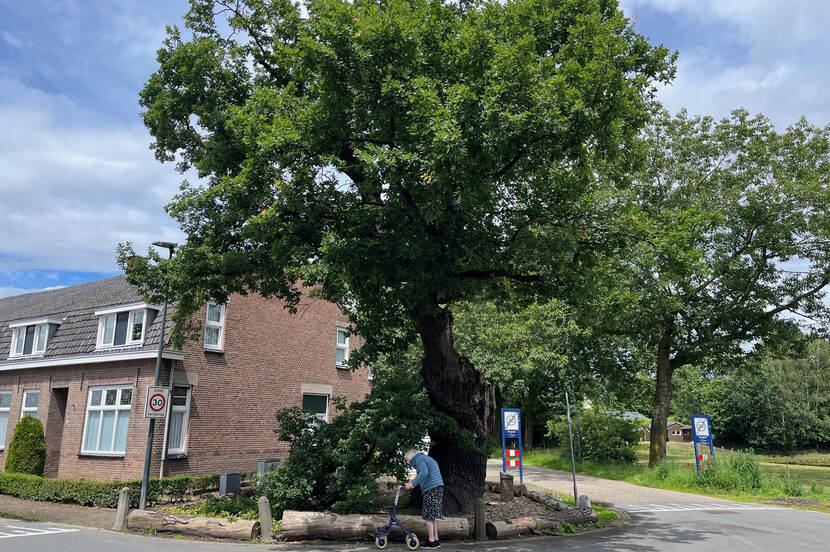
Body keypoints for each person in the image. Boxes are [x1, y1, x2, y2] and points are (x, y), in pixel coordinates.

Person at [404, 449, 444, 549]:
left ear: (411, 459)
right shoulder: (424, 458)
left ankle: (431, 541)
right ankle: (435, 540)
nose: (410, 465)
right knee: (432, 516)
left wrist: (412, 483)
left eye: (409, 461)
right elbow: (424, 473)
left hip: (431, 488)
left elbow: (424, 473)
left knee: (428, 516)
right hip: (437, 487)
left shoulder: (419, 459)